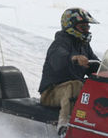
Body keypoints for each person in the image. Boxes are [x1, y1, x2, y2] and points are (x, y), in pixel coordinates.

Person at [38, 8, 100, 136]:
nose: (87, 30)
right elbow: (59, 59)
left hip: (68, 91)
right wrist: (74, 58)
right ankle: (65, 127)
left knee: (95, 85)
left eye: (87, 27)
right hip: (51, 93)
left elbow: (95, 65)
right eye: (83, 27)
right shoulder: (60, 42)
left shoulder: (83, 45)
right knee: (76, 85)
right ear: (71, 27)